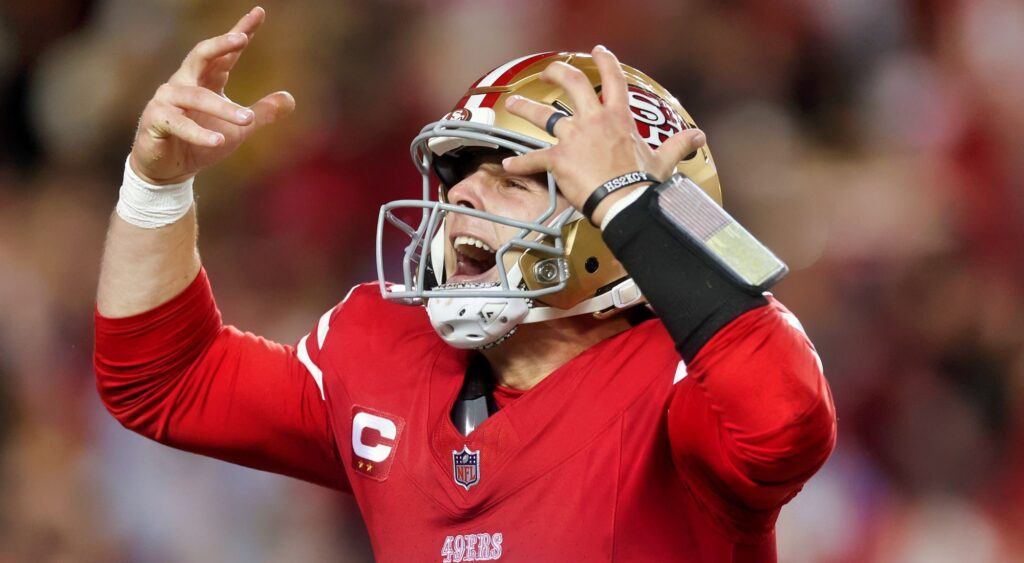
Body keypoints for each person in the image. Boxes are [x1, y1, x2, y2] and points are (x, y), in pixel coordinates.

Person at [94, 7, 836, 562]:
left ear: (616, 212)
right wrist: (154, 187)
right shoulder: (381, 349)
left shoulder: (683, 379)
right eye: (457, 172)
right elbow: (164, 379)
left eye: (513, 174)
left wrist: (630, 204)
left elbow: (785, 422)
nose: (461, 199)